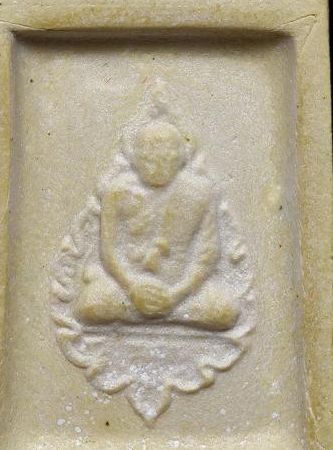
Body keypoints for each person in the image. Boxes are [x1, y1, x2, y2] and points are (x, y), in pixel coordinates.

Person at [74, 120, 239, 330]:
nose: (158, 167)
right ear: (135, 158)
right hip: (128, 288)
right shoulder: (117, 191)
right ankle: (164, 316)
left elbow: (207, 255)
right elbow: (109, 252)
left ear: (181, 157)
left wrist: (176, 295)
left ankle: (158, 314)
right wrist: (133, 287)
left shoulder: (200, 191)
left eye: (166, 158)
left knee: (225, 311)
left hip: (182, 290)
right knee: (90, 305)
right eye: (149, 159)